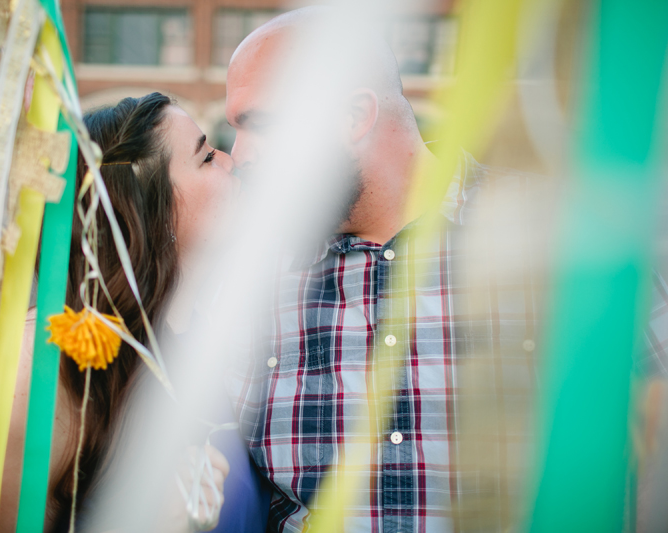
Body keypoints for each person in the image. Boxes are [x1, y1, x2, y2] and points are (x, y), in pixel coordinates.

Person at [224, 7, 668, 533]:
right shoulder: (250, 281)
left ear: (351, 118)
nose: (239, 156)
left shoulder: (561, 231)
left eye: (259, 126)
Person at [0, 93, 271, 532]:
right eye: (206, 156)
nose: (231, 161)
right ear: (147, 210)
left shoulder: (220, 326)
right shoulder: (43, 369)